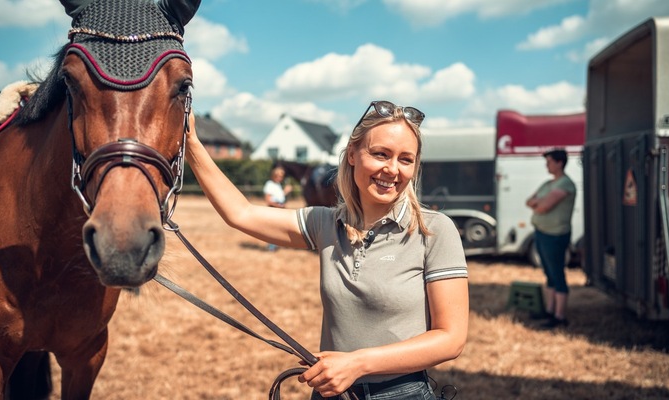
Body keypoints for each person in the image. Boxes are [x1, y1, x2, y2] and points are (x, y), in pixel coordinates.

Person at [185, 101, 469, 399]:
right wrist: (191, 143)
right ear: (352, 156)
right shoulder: (325, 223)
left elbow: (451, 339)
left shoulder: (434, 231)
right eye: (380, 154)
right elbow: (240, 213)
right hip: (333, 392)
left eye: (405, 159)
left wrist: (358, 364)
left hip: (401, 393)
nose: (392, 169)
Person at [526, 148, 576, 329]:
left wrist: (539, 202)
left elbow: (543, 207)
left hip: (555, 235)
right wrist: (539, 202)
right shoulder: (549, 184)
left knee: (557, 274)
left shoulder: (565, 184)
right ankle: (550, 311)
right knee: (549, 274)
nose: (547, 165)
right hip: (542, 233)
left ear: (559, 163)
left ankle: (559, 317)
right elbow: (529, 201)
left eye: (549, 162)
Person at [263, 166, 292, 250]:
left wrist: (285, 192)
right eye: (278, 176)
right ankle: (271, 247)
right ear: (274, 176)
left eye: (281, 176)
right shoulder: (269, 185)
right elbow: (268, 200)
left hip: (279, 209)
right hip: (273, 209)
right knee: (273, 229)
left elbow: (279, 197)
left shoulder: (278, 185)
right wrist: (279, 205)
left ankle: (276, 245)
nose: (280, 178)